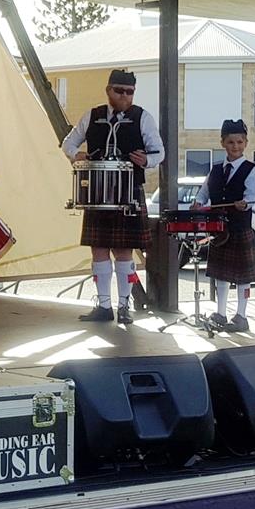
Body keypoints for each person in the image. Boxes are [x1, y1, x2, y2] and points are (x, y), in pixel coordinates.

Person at [62, 68, 163, 326]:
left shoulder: (143, 117)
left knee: (123, 251)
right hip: (97, 192)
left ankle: (124, 306)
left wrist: (147, 160)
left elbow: (159, 152)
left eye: (130, 92)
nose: (125, 96)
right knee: (98, 250)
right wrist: (76, 155)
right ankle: (104, 306)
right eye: (120, 91)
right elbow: (68, 143)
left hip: (128, 191)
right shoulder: (92, 115)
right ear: (108, 90)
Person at [195, 120, 255, 333]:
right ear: (223, 143)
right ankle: (221, 313)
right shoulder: (215, 170)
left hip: (240, 228)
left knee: (243, 277)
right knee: (221, 274)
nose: (236, 146)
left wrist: (245, 204)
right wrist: (198, 202)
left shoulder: (251, 169)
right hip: (219, 229)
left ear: (246, 143)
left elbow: (251, 197)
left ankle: (241, 316)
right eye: (231, 142)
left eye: (240, 142)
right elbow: (204, 192)